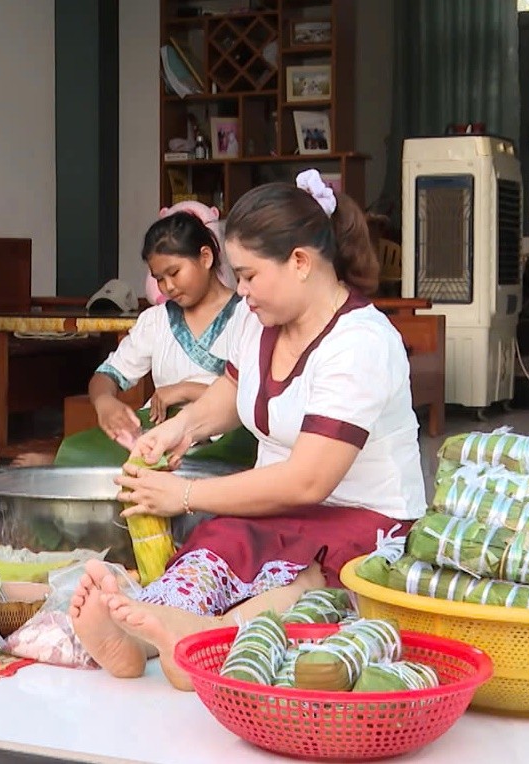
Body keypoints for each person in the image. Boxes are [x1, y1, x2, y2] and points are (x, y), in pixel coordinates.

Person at [69, 169, 425, 689]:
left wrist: (186, 493)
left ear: (300, 262)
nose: (241, 291)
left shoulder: (361, 342)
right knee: (215, 549)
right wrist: (181, 431)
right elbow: (233, 394)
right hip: (276, 512)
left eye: (250, 276)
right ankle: (144, 636)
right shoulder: (261, 325)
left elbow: (309, 482)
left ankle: (210, 640)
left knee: (306, 585)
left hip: (361, 522)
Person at [53, 210, 256, 469]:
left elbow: (255, 397)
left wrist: (184, 390)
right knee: (78, 453)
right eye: (159, 278)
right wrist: (105, 402)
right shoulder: (156, 321)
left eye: (175, 272)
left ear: (205, 257)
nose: (168, 286)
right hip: (160, 439)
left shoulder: (249, 315)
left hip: (229, 445)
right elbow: (107, 376)